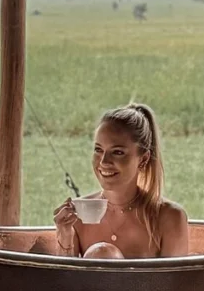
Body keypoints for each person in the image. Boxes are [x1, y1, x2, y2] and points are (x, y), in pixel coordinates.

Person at [54, 103, 189, 259]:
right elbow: (66, 281)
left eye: (117, 152)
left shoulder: (169, 218)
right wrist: (64, 234)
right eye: (98, 150)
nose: (104, 161)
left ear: (143, 159)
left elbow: (175, 283)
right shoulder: (79, 216)